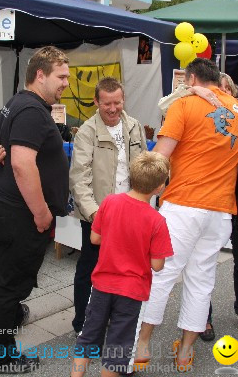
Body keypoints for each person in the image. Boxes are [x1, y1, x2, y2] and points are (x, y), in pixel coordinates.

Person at [135, 59, 238, 371]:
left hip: (182, 205)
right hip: (220, 212)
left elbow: (159, 157)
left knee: (161, 275)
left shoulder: (185, 106)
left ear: (191, 79)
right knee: (201, 279)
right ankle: (184, 354)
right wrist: (227, 97)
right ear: (218, 80)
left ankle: (141, 346)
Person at [0, 46, 70, 374]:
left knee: (7, 279)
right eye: (61, 76)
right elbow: (21, 163)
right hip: (20, 212)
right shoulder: (31, 109)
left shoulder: (18, 102)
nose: (66, 83)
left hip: (3, 205)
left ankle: (11, 317)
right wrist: (42, 212)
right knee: (8, 285)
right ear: (40, 75)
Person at [165, 71, 238, 341]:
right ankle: (198, 329)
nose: (218, 93)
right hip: (218, 203)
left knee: (167, 274)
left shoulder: (230, 111)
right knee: (201, 271)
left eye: (226, 89)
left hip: (219, 200)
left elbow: (160, 154)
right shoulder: (209, 108)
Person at [70, 151, 173, 377]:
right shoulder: (157, 221)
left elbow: (95, 239)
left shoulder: (110, 202)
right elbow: (157, 265)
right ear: (159, 187)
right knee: (118, 347)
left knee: (88, 336)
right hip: (132, 292)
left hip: (102, 284)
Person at [69, 77, 148, 334]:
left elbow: (142, 168)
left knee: (125, 271)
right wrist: (96, 215)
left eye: (117, 103)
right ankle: (82, 323)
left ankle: (116, 320)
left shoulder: (134, 126)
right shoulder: (86, 132)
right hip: (98, 216)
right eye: (107, 104)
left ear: (123, 100)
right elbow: (79, 179)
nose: (113, 109)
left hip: (129, 212)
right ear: (96, 102)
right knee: (90, 269)